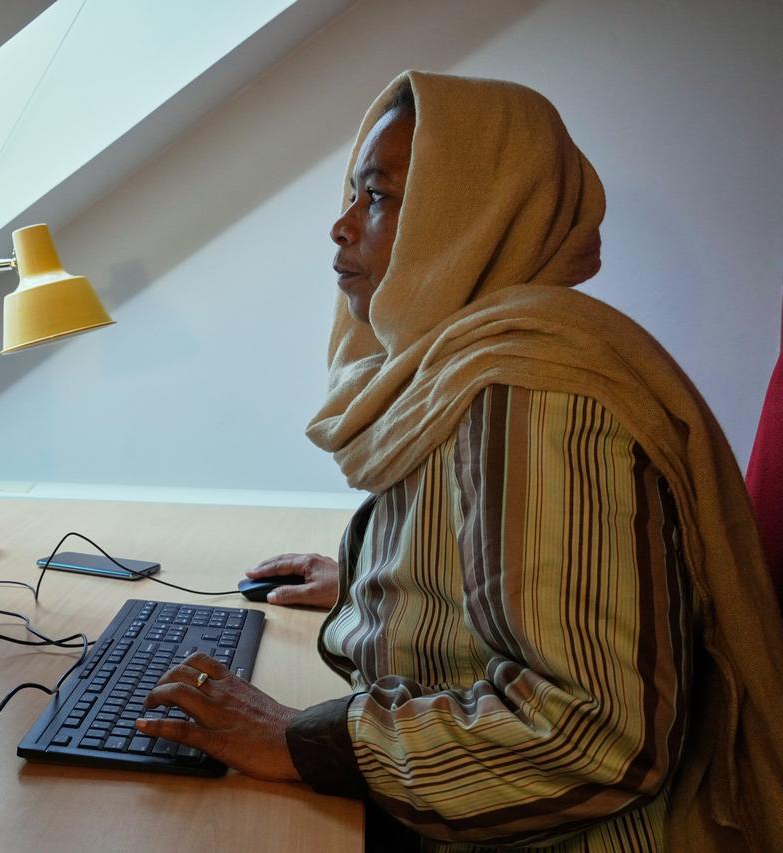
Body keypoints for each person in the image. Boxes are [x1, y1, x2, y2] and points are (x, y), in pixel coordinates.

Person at [135, 71, 783, 851]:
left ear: (469, 216)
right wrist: (387, 583)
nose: (341, 226)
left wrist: (300, 740)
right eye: (353, 193)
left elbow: (594, 736)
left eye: (378, 197)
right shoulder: (467, 358)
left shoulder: (534, 393)